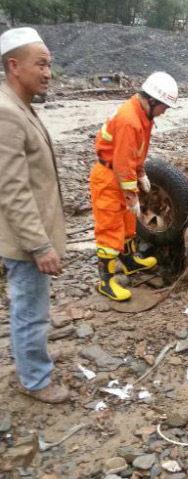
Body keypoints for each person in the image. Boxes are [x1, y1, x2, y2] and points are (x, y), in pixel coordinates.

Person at [0, 27, 69, 403]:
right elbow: (11, 189)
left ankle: (33, 365)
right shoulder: (6, 113)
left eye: (50, 64)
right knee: (30, 310)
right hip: (25, 242)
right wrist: (40, 245)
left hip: (28, 236)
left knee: (33, 306)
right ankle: (35, 380)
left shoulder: (21, 106)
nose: (48, 72)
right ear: (14, 66)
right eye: (40, 64)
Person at [90, 72, 178, 301]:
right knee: (110, 227)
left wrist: (141, 173)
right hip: (109, 176)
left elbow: (136, 153)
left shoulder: (143, 116)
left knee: (129, 223)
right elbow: (122, 162)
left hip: (121, 174)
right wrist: (131, 195)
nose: (165, 111)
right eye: (164, 106)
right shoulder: (130, 120)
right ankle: (106, 281)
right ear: (151, 100)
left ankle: (129, 261)